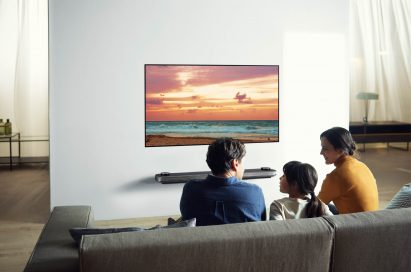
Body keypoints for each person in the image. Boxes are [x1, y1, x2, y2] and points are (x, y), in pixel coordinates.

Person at [180, 138, 266, 226]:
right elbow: (262, 227)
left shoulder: (191, 189)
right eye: (242, 163)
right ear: (235, 164)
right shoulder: (255, 192)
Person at [318, 127, 379, 214]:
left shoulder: (336, 176)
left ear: (340, 150)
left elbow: (315, 207)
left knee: (313, 206)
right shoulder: (362, 166)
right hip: (373, 221)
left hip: (353, 225)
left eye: (325, 149)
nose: (321, 152)